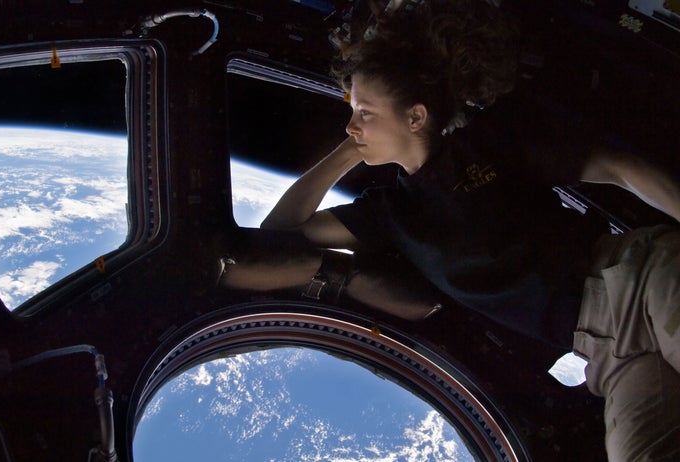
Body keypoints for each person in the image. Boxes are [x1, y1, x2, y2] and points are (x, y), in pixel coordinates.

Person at [219, 0, 680, 459]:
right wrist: (348, 151)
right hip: (608, 349)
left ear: (416, 117)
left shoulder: (488, 143)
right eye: (352, 109)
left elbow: (619, 169)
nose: (350, 124)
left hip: (639, 280)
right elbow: (279, 231)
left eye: (365, 112)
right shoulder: (392, 213)